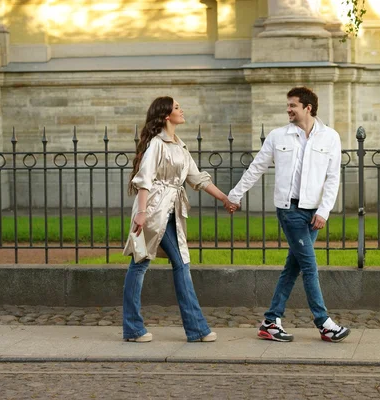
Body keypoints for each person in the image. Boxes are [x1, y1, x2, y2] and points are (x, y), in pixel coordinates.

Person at [227, 87, 350, 343]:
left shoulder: (330, 137)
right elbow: (257, 167)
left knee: (292, 268)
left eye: (293, 105)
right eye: (288, 105)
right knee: (309, 265)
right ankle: (324, 323)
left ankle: (271, 321)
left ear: (308, 107)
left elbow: (332, 178)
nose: (288, 109)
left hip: (314, 212)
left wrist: (324, 211)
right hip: (289, 210)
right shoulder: (277, 136)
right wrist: (235, 194)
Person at [122, 96, 238, 343]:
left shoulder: (180, 146)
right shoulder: (156, 144)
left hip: (171, 211)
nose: (181, 110)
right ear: (166, 115)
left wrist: (225, 199)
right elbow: (144, 179)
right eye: (177, 107)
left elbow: (198, 178)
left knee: (156, 264)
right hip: (153, 211)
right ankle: (190, 329)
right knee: (146, 263)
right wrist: (141, 213)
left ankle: (138, 328)